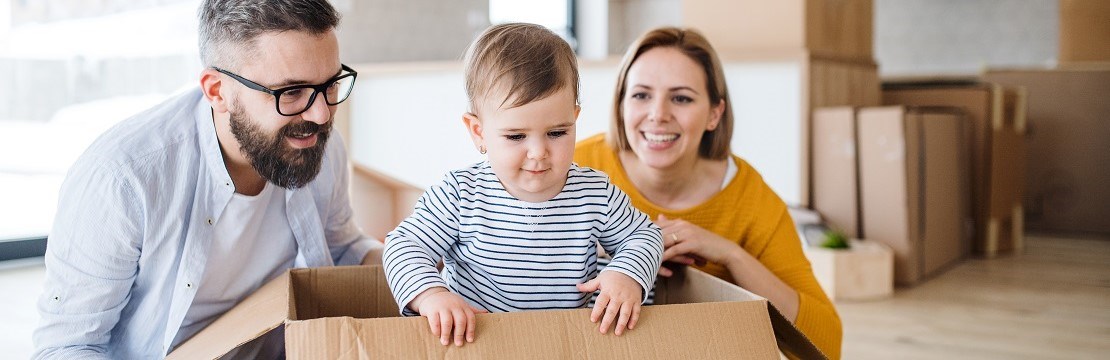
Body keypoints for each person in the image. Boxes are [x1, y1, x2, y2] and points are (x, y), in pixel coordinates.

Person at [32, 1, 383, 358]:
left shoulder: (315, 143)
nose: (322, 114)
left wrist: (415, 268)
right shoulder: (122, 181)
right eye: (291, 93)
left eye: (331, 84)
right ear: (217, 91)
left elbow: (341, 249)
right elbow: (66, 346)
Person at [382, 23, 663, 348]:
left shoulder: (594, 193)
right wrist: (432, 296)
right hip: (477, 341)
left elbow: (645, 235)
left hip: (567, 345)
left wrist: (625, 274)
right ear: (479, 132)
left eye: (557, 132)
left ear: (575, 118)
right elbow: (404, 246)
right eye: (516, 136)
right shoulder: (461, 193)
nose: (539, 152)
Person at [574, 27, 843, 359]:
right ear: (621, 105)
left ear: (715, 113)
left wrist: (731, 255)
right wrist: (624, 256)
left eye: (681, 98)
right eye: (641, 95)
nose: (658, 114)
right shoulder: (576, 168)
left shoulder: (751, 199)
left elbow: (827, 343)